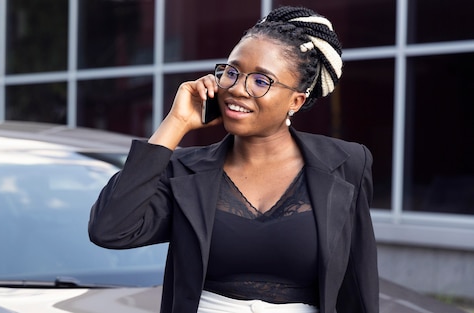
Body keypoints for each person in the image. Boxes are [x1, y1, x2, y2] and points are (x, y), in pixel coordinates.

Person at [88, 5, 378, 313]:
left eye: (261, 81)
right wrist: (176, 123)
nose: (238, 89)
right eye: (231, 72)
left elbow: (357, 281)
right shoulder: (184, 171)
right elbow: (110, 230)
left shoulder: (346, 164)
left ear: (296, 100)